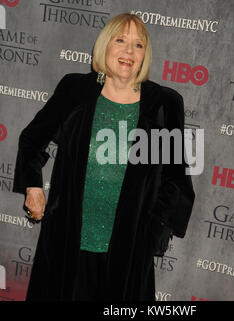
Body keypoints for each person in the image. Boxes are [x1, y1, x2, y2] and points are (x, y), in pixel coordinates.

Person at [13, 13, 195, 301]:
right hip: (68, 236)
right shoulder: (75, 89)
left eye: (138, 45)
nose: (128, 51)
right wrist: (33, 185)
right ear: (104, 46)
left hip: (128, 246)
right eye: (120, 40)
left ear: (145, 54)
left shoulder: (165, 103)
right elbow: (32, 138)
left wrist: (152, 227)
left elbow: (176, 178)